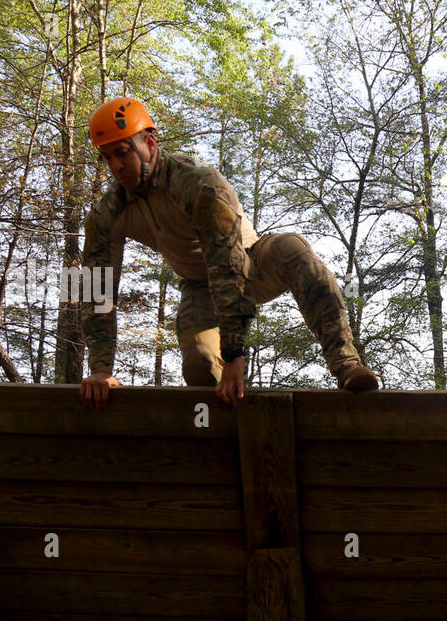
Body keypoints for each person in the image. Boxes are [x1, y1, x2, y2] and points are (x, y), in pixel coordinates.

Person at [76, 96, 378, 410]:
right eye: (107, 157)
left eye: (123, 153)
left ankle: (347, 365)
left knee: (293, 248)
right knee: (201, 365)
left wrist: (235, 356)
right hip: (199, 285)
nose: (116, 167)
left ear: (149, 143)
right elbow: (95, 288)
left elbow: (227, 264)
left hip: (250, 262)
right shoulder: (106, 214)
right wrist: (100, 370)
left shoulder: (197, 183)